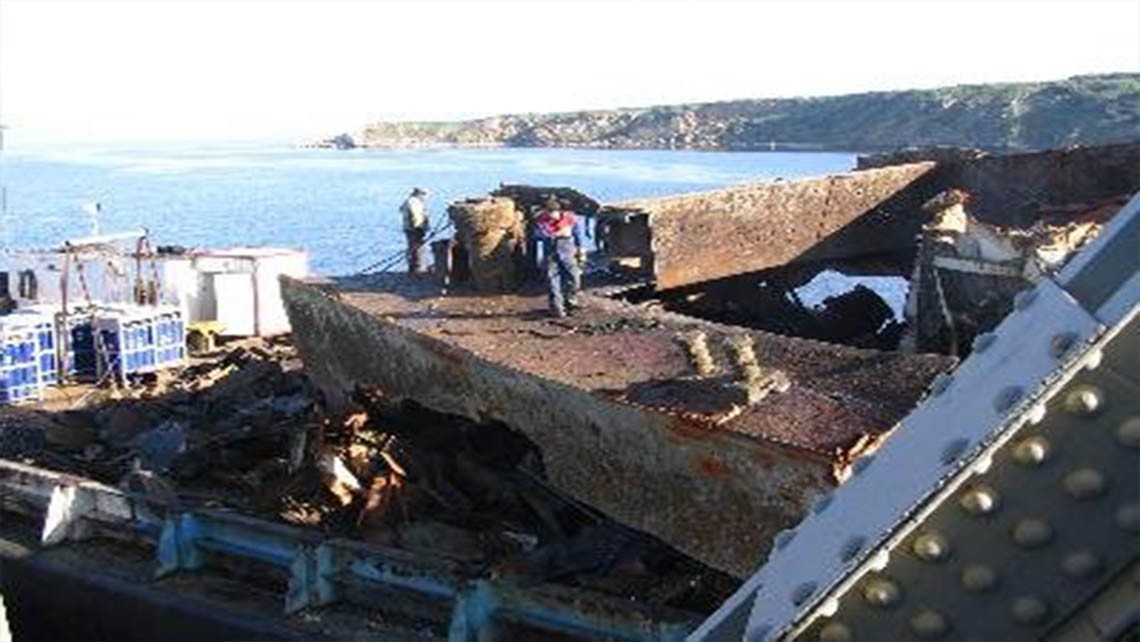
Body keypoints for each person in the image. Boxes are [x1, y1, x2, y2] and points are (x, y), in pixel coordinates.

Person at [535, 197, 587, 317]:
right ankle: (557, 308)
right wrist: (558, 234)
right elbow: (538, 235)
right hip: (550, 254)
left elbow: (577, 234)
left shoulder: (570, 218)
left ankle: (570, 301)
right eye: (547, 212)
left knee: (574, 278)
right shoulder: (541, 220)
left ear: (558, 211)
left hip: (568, 252)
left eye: (552, 212)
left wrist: (581, 249)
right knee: (553, 282)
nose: (550, 215)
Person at [399, 187, 430, 273]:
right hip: (414, 229)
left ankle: (413, 268)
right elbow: (415, 216)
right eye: (425, 195)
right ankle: (417, 269)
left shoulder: (409, 201)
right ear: (420, 194)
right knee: (417, 249)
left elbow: (401, 209)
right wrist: (419, 228)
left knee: (413, 248)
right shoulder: (414, 202)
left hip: (409, 228)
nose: (426, 198)